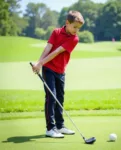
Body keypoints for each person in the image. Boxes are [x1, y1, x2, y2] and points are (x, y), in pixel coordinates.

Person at [32, 10, 84, 138]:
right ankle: (50, 128)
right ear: (67, 22)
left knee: (59, 98)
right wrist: (39, 63)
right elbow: (48, 48)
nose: (76, 30)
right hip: (49, 69)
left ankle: (60, 126)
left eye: (79, 28)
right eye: (75, 27)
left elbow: (57, 52)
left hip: (61, 71)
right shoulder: (56, 32)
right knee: (51, 97)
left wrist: (40, 63)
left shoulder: (74, 38)